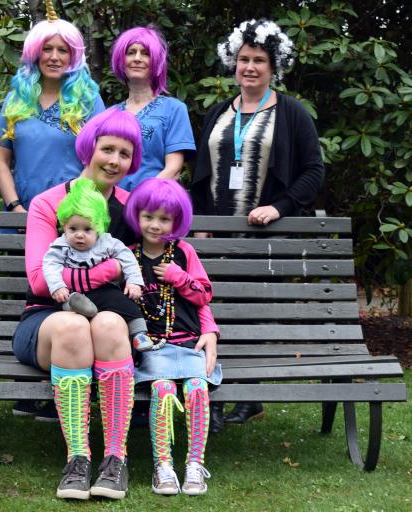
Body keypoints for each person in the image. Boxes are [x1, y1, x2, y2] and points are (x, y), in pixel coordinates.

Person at [189, 19, 325, 431]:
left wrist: (279, 206)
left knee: (250, 317)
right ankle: (211, 396)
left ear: (273, 66)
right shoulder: (219, 111)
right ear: (234, 62)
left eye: (259, 61)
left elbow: (313, 172)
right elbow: (200, 170)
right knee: (210, 313)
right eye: (244, 59)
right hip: (216, 234)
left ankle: (249, 395)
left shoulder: (292, 113)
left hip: (264, 236)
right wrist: (198, 224)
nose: (250, 67)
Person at [14, 107, 142, 500]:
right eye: (108, 149)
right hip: (46, 321)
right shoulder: (48, 203)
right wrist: (104, 275)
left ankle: (116, 459)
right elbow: (39, 279)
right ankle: (78, 459)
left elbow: (142, 270)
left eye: (125, 153)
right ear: (89, 149)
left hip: (109, 324)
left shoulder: (131, 208)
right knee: (73, 325)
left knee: (107, 324)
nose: (115, 160)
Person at [123, 178, 222, 495]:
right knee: (163, 392)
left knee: (196, 389)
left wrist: (180, 278)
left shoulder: (183, 253)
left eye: (164, 219)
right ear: (137, 215)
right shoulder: (128, 256)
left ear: (177, 221)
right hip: (153, 348)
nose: (155, 225)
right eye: (148, 216)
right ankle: (162, 466)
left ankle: (195, 465)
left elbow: (205, 294)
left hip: (189, 342)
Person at [0, 3, 105, 214]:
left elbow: (100, 160)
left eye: (62, 50)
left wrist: (69, 208)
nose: (54, 57)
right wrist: (16, 207)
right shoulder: (16, 99)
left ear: (73, 57)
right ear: (35, 52)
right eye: (47, 48)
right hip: (21, 217)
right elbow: (1, 160)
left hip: (73, 218)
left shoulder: (89, 101)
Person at [42, 177, 153, 352]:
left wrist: (134, 281)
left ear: (99, 227)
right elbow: (50, 264)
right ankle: (77, 306)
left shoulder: (107, 242)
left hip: (103, 290)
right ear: (64, 226)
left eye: (87, 230)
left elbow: (127, 258)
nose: (79, 235)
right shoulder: (60, 245)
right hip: (73, 293)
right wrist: (57, 287)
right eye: (73, 229)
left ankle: (139, 333)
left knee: (124, 302)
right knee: (65, 302)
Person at [110, 26, 196, 191]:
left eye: (145, 53)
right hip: (112, 207)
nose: (137, 58)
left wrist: (141, 198)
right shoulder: (110, 114)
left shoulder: (174, 109)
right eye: (130, 52)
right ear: (121, 60)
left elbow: (174, 169)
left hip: (153, 206)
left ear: (156, 61)